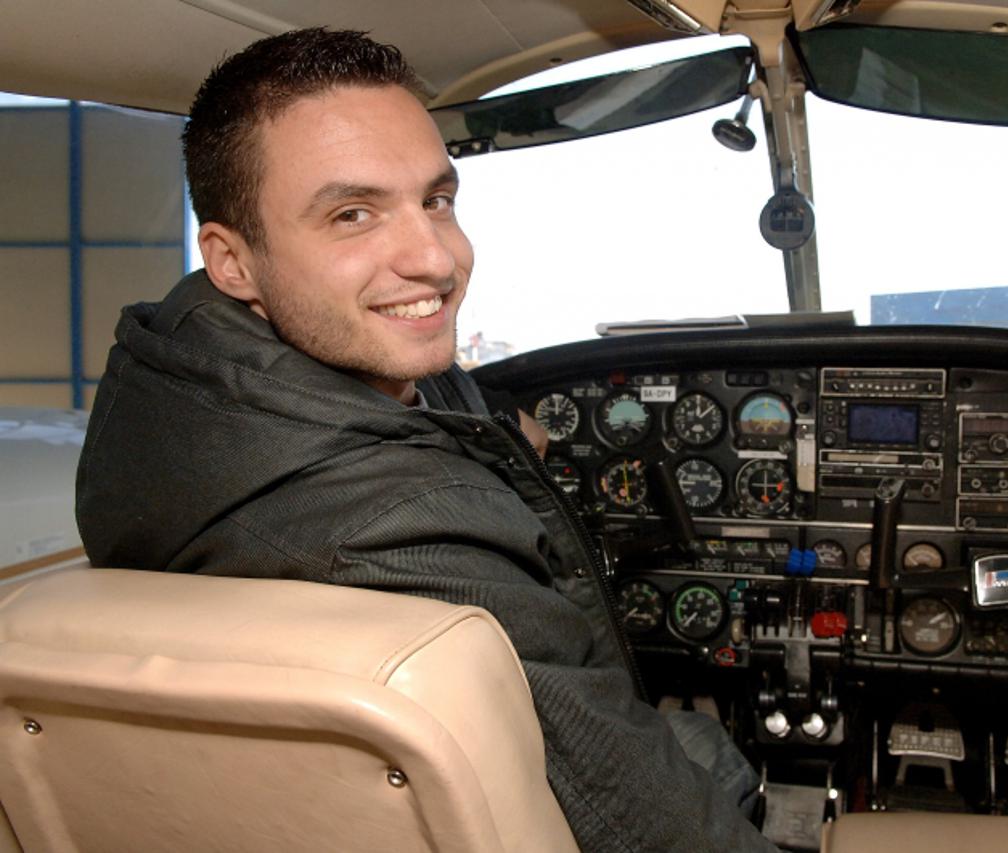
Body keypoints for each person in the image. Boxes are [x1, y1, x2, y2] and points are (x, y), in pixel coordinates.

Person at [75, 27, 776, 853]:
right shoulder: (417, 530)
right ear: (232, 261)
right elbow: (652, 823)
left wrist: (492, 441)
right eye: (351, 214)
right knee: (720, 763)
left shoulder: (166, 399)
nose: (436, 258)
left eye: (436, 199)